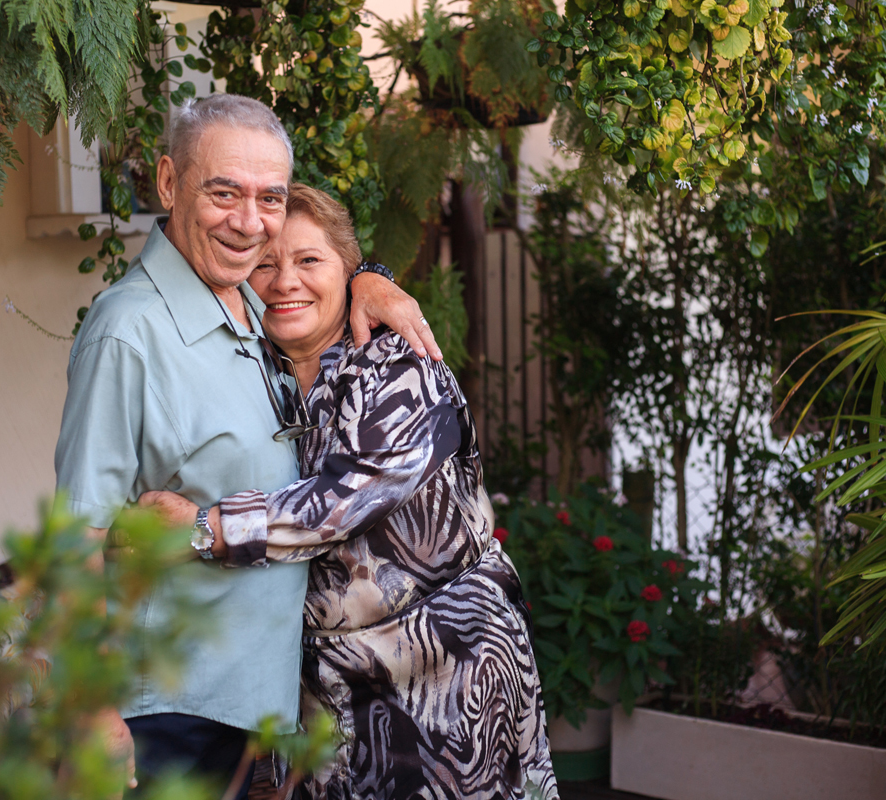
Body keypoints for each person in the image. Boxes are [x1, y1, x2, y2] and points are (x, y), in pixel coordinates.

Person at [54, 94, 441, 800]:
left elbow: (308, 279)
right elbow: (80, 533)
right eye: (223, 192)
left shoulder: (252, 309)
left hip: (261, 715)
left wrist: (369, 278)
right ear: (169, 184)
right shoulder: (128, 331)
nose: (248, 222)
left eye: (270, 198)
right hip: (169, 711)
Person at [140, 185, 558, 799]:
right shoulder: (258, 374)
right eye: (264, 264)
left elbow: (347, 499)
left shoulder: (396, 364)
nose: (285, 281)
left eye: (310, 261)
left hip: (444, 676)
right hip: (328, 694)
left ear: (347, 270)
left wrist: (207, 529)